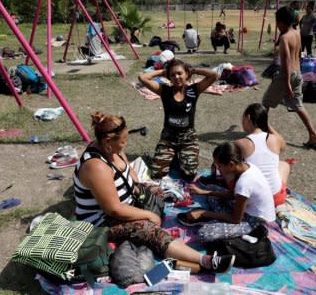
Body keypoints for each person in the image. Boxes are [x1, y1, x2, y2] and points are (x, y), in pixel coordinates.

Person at [73, 111, 235, 273]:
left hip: (125, 203)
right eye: (123, 141)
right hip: (103, 221)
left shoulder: (111, 148)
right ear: (108, 140)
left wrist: (142, 189)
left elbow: (128, 171)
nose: (125, 144)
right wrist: (149, 216)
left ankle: (156, 240)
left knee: (156, 192)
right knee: (149, 230)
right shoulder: (96, 166)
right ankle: (206, 261)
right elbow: (114, 209)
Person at [177, 142, 276, 242]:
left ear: (231, 165)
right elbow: (232, 195)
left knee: (204, 233)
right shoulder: (247, 166)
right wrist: (203, 192)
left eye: (220, 166)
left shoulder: (244, 183)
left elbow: (236, 219)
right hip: (245, 209)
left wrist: (204, 213)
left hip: (254, 221)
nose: (219, 170)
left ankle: (252, 232)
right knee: (212, 189)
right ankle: (215, 219)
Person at [138, 59, 219, 180]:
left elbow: (214, 75)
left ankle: (178, 156)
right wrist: (163, 72)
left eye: (180, 73)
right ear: (169, 77)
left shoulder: (194, 90)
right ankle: (174, 155)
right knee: (157, 173)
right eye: (172, 74)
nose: (176, 77)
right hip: (168, 138)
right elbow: (142, 77)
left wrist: (193, 70)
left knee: (189, 174)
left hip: (188, 138)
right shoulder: (164, 90)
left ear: (186, 74)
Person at [262, 6, 316, 150]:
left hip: (286, 76)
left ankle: (261, 132)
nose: (276, 25)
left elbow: (287, 60)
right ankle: (313, 135)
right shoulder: (297, 33)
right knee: (298, 105)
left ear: (282, 22)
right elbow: (298, 54)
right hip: (298, 74)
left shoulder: (284, 37)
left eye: (277, 22)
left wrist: (287, 83)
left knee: (265, 103)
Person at [234, 103, 290, 207]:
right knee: (284, 165)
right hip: (276, 198)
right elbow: (283, 146)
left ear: (248, 117)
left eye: (243, 117)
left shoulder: (240, 143)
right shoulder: (276, 139)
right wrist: (266, 124)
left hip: (252, 200)